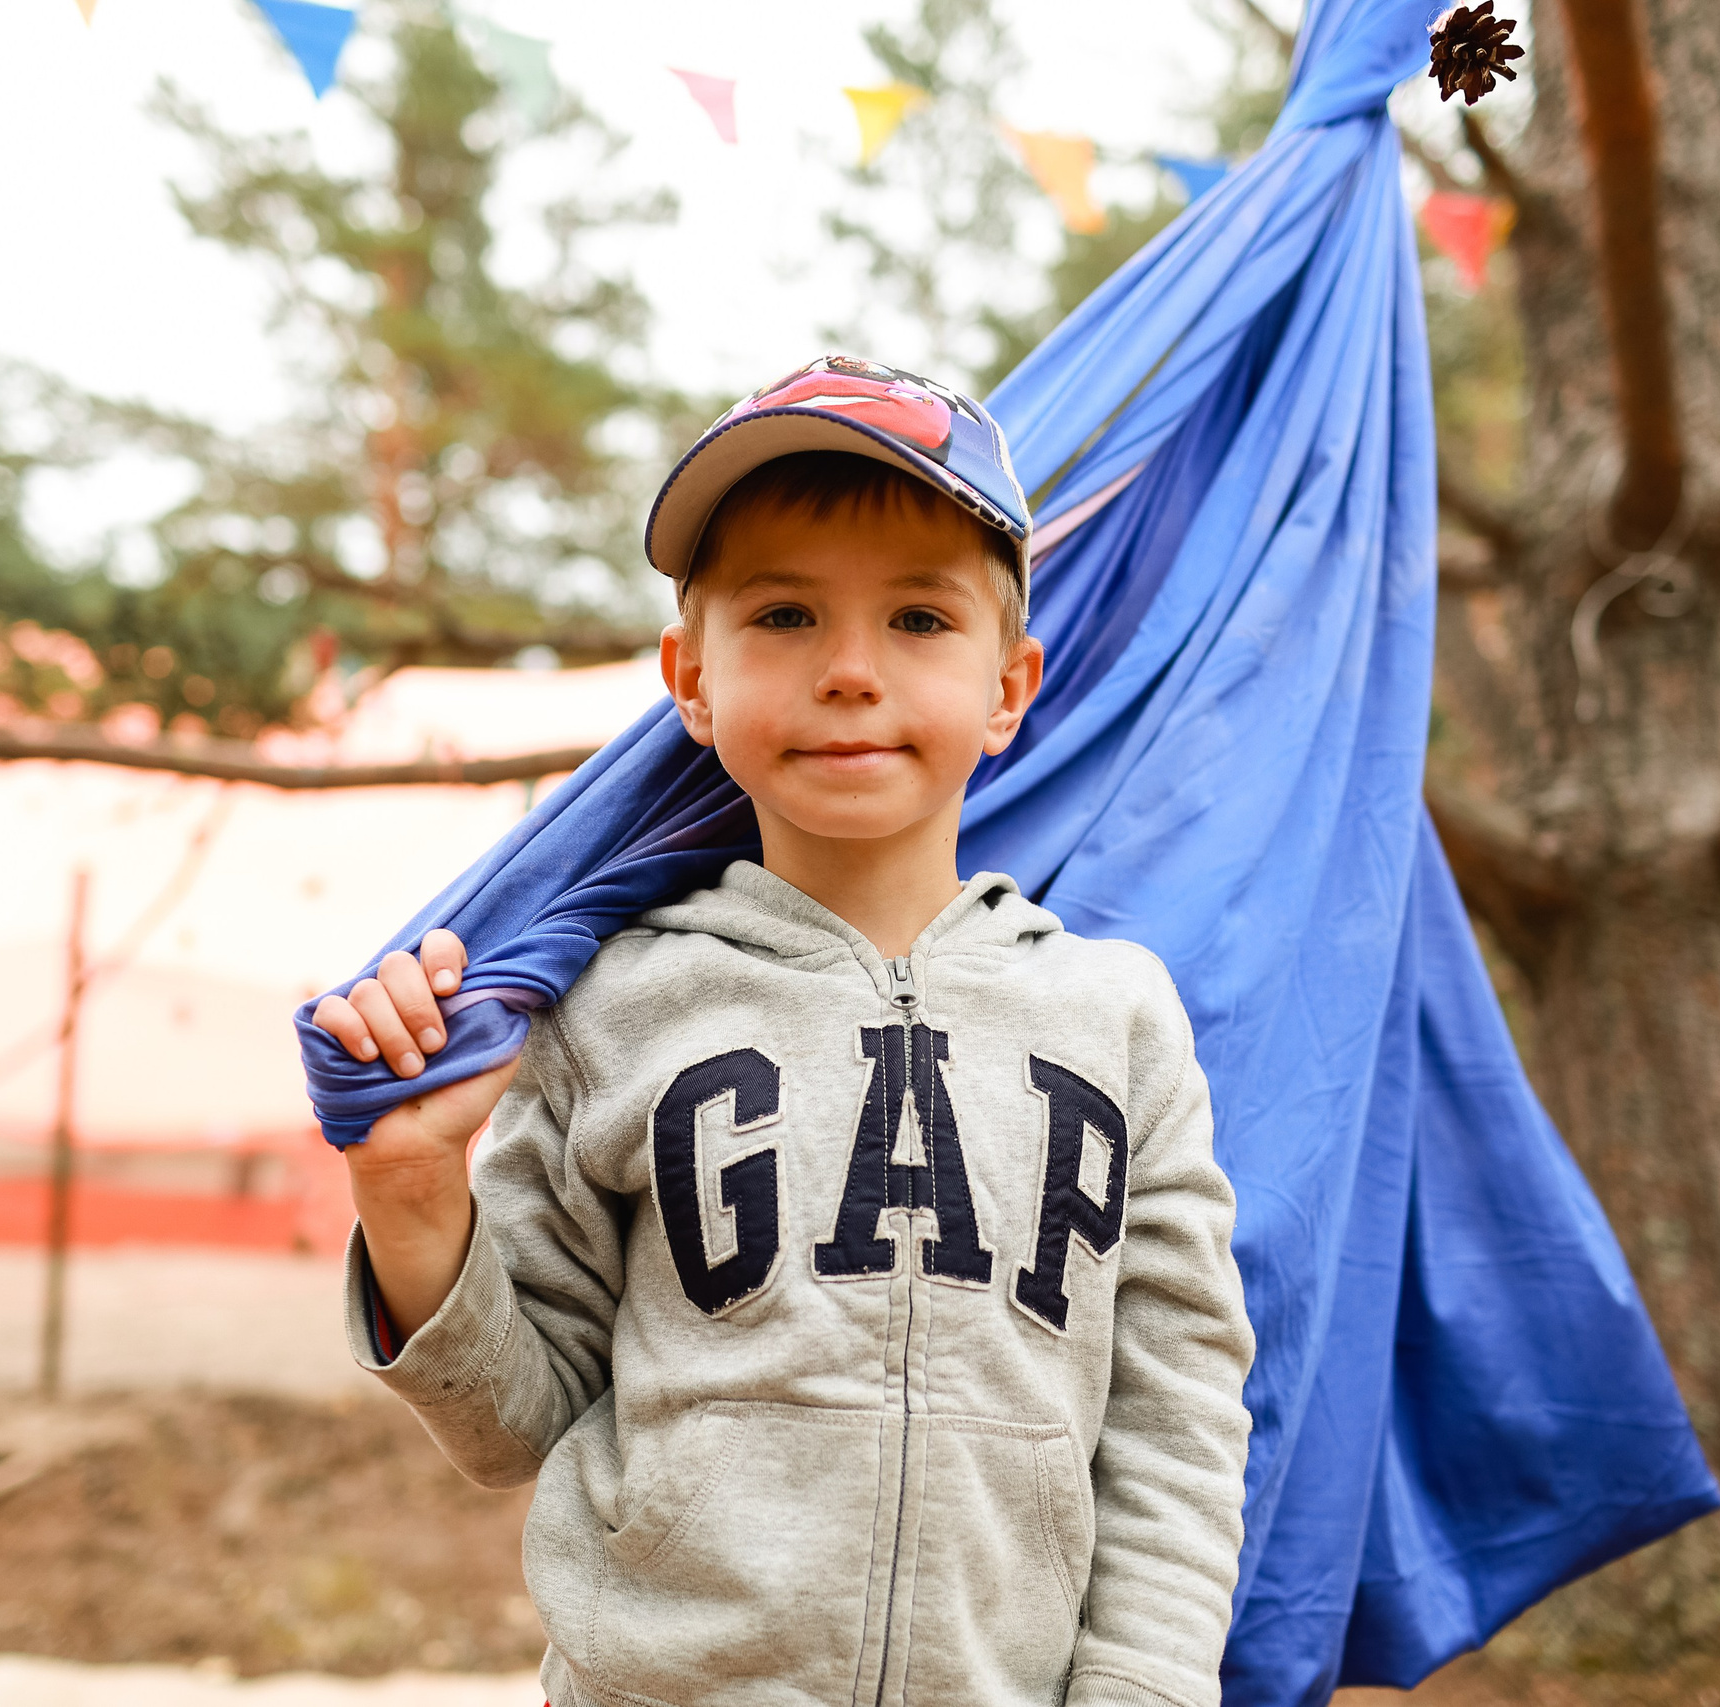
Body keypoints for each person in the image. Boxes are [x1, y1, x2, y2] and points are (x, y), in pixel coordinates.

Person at [310, 355, 1255, 1707]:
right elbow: (511, 1422)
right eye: (787, 614)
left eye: (921, 620)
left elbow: (1177, 1424)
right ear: (690, 679)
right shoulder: (610, 1009)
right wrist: (409, 1199)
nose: (853, 672)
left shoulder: (1116, 1020)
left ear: (1011, 684)